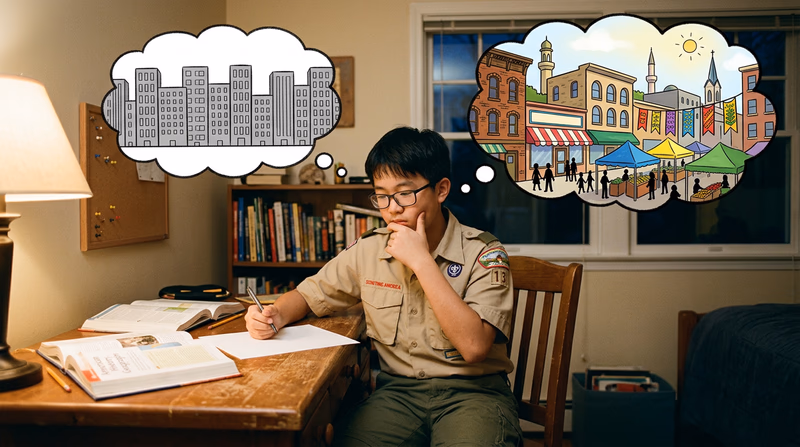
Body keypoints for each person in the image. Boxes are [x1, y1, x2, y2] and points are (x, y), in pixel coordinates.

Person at [245, 127, 522, 446]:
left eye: (405, 193)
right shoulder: (370, 249)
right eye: (381, 195)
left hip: (475, 395)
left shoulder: (484, 252)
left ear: (441, 189)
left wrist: (422, 261)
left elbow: (474, 348)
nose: (392, 207)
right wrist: (274, 315)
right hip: (399, 395)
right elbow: (309, 294)